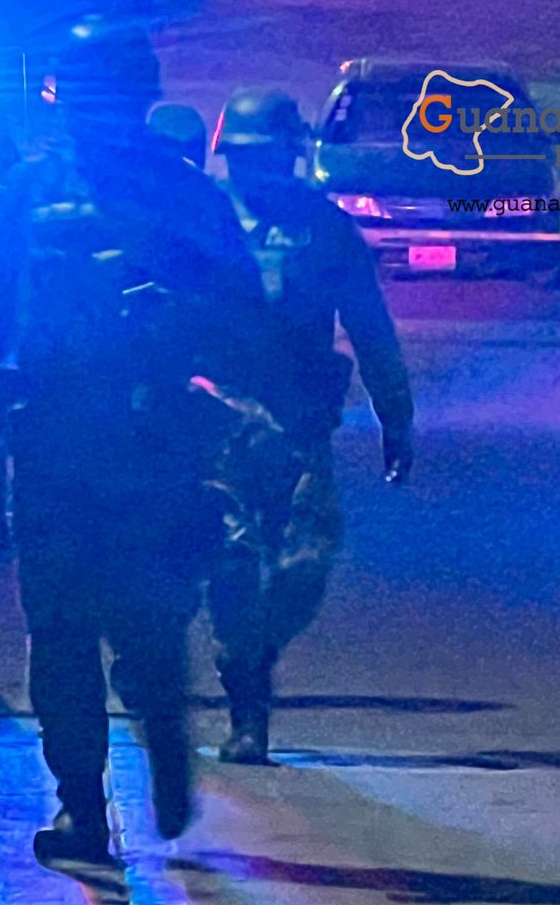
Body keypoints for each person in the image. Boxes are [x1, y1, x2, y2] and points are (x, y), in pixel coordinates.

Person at [0, 18, 267, 863]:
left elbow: (242, 312)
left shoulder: (177, 195)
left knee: (140, 620)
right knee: (64, 633)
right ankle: (84, 808)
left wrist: (179, 327)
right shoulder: (33, 189)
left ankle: (157, 749)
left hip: (146, 440)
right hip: (54, 439)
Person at [206, 87, 414, 764]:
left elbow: (370, 327)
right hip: (217, 420)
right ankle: (247, 707)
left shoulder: (325, 230)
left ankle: (256, 652)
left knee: (305, 563)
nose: (257, 171)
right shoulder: (201, 218)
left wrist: (395, 416)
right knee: (233, 562)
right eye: (246, 158)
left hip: (298, 424)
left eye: (268, 158)